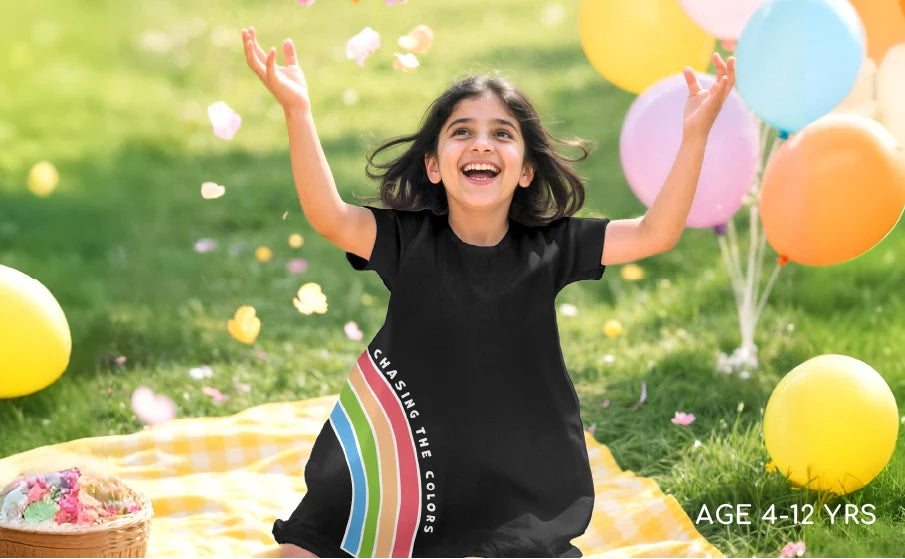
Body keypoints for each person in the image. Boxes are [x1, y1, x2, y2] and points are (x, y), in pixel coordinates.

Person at [241, 26, 735, 558]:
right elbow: (331, 217)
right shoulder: (408, 242)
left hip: (506, 492)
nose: (481, 143)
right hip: (397, 475)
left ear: (524, 170)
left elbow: (654, 233)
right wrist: (297, 110)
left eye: (502, 133)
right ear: (434, 165)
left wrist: (695, 136)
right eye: (462, 132)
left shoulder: (552, 246)